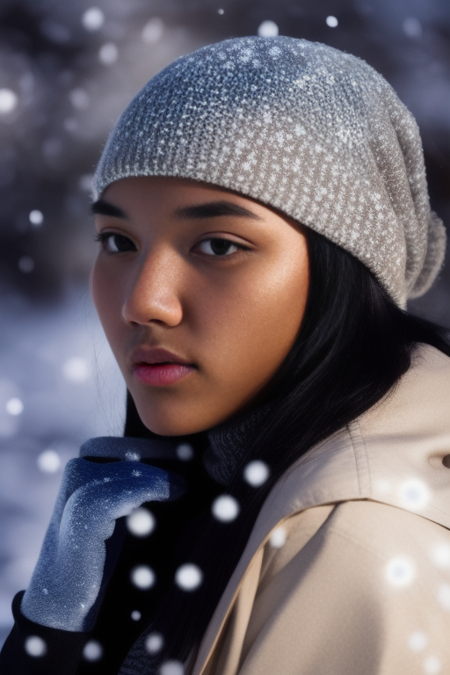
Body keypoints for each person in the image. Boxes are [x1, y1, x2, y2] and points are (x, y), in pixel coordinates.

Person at [1, 35, 450, 675]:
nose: (143, 302)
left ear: (341, 273)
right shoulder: (237, 494)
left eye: (218, 245)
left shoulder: (362, 552)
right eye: (118, 240)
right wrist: (53, 635)